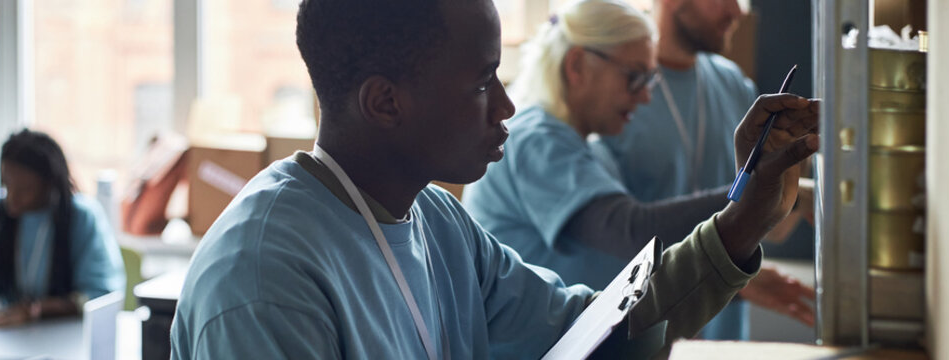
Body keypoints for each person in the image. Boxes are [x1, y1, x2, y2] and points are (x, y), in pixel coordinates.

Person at [169, 0, 819, 358]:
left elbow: (596, 330)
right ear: (385, 102)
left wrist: (745, 214)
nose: (507, 109)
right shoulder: (264, 281)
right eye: (483, 83)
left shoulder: (437, 222)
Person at [587, 0, 816, 339]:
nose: (737, 11)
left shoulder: (733, 83)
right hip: (643, 339)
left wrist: (796, 181)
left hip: (719, 343)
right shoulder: (619, 98)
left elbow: (772, 229)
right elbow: (617, 238)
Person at [0, 129, 125, 328]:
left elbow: (100, 295)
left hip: (67, 336)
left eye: (24, 190)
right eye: (7, 186)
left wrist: (36, 310)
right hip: (6, 334)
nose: (12, 198)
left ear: (49, 185)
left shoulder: (81, 217)